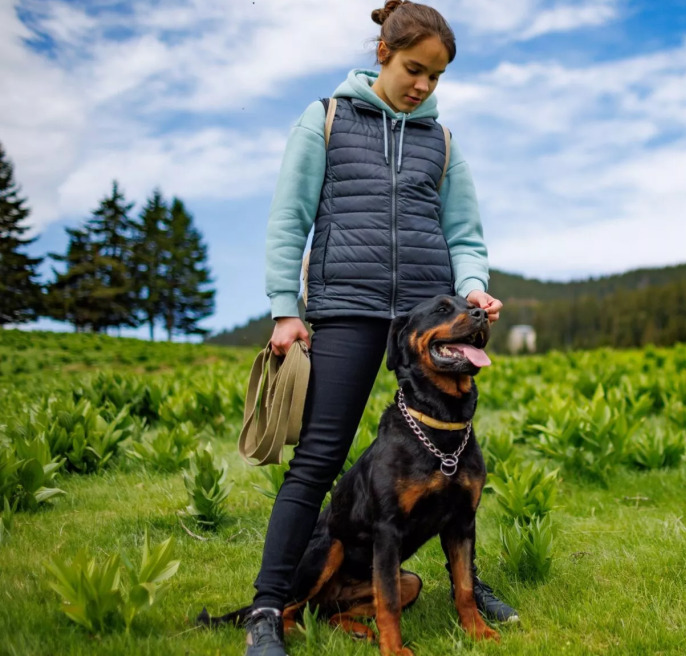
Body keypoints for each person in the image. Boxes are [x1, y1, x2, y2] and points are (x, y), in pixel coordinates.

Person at [245, 2, 513, 654]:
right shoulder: (327, 118)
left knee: (447, 453)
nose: (422, 85)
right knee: (318, 461)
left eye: (436, 77)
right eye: (415, 69)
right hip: (346, 306)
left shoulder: (441, 142)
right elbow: (290, 218)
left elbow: (465, 234)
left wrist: (473, 289)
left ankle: (467, 587)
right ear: (383, 54)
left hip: (426, 315)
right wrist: (287, 308)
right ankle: (267, 609)